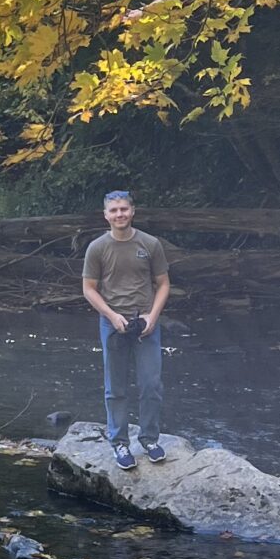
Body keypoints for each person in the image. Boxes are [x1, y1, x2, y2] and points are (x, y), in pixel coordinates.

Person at [80, 186, 171, 469]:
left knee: (151, 385)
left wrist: (153, 317)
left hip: (145, 322)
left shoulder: (150, 244)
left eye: (124, 209)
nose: (119, 214)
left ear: (132, 211)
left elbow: (164, 283)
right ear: (105, 215)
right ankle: (120, 444)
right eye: (114, 210)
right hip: (112, 323)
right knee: (115, 387)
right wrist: (111, 315)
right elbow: (89, 289)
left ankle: (150, 440)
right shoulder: (97, 248)